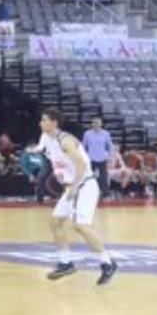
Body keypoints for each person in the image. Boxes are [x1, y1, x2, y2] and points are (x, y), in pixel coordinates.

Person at [38, 109, 118, 285]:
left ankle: (108, 263)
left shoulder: (65, 140)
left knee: (80, 225)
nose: (40, 123)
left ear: (54, 123)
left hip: (85, 184)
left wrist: (73, 186)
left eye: (44, 120)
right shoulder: (46, 139)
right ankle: (66, 263)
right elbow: (46, 153)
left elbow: (81, 164)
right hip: (71, 186)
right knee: (55, 221)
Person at [82, 116, 113, 198]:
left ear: (101, 124)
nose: (96, 124)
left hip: (102, 158)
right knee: (88, 177)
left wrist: (109, 157)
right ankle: (87, 192)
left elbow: (110, 146)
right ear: (92, 124)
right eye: (94, 123)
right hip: (91, 158)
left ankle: (105, 194)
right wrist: (84, 157)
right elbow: (83, 146)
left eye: (98, 123)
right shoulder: (87, 134)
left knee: (104, 177)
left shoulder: (106, 134)